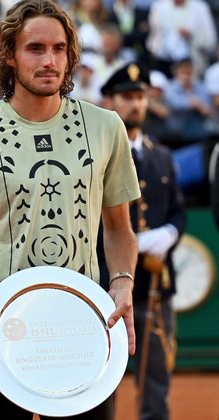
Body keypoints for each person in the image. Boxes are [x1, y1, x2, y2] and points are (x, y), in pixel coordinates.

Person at [0, 1, 140, 419]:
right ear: (9, 55)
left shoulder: (107, 127)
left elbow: (118, 227)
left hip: (83, 333)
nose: (50, 61)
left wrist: (124, 282)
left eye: (59, 49)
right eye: (35, 49)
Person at [99, 63, 186, 420]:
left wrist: (167, 235)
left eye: (141, 97)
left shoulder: (162, 155)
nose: (136, 104)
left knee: (155, 372)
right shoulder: (100, 153)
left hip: (154, 281)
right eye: (127, 97)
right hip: (107, 282)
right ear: (111, 101)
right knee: (103, 375)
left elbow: (177, 212)